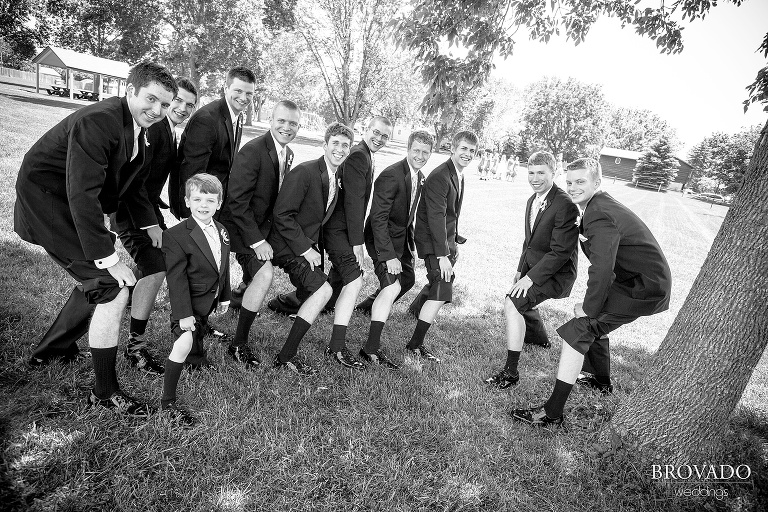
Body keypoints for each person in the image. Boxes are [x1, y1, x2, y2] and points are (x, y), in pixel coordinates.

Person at [16, 61, 177, 416]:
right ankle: (104, 393)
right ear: (130, 90)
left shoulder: (143, 129)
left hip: (72, 200)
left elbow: (132, 188)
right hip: (48, 200)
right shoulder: (100, 120)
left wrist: (150, 224)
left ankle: (52, 350)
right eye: (151, 99)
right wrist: (107, 255)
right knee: (112, 285)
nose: (158, 110)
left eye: (166, 104)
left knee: (100, 281)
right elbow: (81, 194)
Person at [511, 157, 672, 427]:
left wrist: (587, 307)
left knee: (581, 327)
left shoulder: (598, 212)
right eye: (570, 181)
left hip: (643, 287)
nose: (573, 187)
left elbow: (602, 269)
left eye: (581, 181)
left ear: (597, 182)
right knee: (596, 324)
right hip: (633, 280)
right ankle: (600, 380)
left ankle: (552, 413)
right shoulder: (595, 205)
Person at [110, 77, 198, 376]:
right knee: (157, 266)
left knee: (150, 265)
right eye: (178, 102)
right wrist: (151, 226)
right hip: (131, 213)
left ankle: (126, 309)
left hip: (147, 208)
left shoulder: (169, 130)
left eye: (190, 105)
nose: (182, 108)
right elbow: (134, 185)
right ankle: (135, 346)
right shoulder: (155, 128)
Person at [485, 151, 579, 389]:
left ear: (553, 173)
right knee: (519, 299)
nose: (535, 178)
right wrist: (520, 270)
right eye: (531, 173)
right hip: (535, 266)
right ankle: (539, 340)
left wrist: (530, 278)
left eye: (541, 173)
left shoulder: (565, 204)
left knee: (513, 302)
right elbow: (529, 242)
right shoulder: (532, 199)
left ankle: (511, 372)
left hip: (557, 272)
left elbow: (560, 252)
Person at [218, 100, 301, 369]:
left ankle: (242, 292)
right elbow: (236, 202)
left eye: (292, 123)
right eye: (282, 121)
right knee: (265, 274)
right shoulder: (253, 151)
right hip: (242, 231)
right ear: (271, 120)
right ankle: (238, 344)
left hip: (266, 229)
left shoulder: (288, 154)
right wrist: (258, 241)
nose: (286, 127)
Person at [267, 122, 354, 376]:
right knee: (323, 290)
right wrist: (306, 249)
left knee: (319, 291)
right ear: (324, 145)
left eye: (345, 145)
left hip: (304, 245)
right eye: (335, 143)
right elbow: (282, 215)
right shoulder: (305, 172)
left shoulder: (335, 176)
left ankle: (285, 333)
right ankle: (285, 356)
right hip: (285, 245)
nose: (339, 149)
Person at [357, 130, 434, 370]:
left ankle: (368, 306)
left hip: (400, 239)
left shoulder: (420, 177)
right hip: (380, 239)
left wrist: (410, 248)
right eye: (416, 150)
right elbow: (378, 218)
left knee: (408, 279)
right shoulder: (391, 175)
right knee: (392, 286)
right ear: (408, 149)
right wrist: (388, 256)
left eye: (425, 152)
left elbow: (408, 216)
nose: (420, 155)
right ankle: (370, 349)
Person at [161, 174, 231, 426]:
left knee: (199, 333)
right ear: (187, 202)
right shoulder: (176, 235)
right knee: (184, 340)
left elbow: (222, 267)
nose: (204, 205)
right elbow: (176, 279)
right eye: (198, 199)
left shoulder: (222, 230)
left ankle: (196, 360)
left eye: (210, 200)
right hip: (187, 304)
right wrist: (182, 313)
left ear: (219, 203)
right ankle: (167, 402)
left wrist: (225, 296)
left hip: (207, 300)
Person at [406, 130, 478, 362]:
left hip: (445, 241)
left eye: (472, 150)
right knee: (442, 285)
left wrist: (454, 239)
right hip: (433, 242)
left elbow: (450, 213)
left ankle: (415, 312)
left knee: (440, 284)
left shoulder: (457, 174)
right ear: (453, 149)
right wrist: (442, 255)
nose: (467, 153)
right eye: (463, 148)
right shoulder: (440, 176)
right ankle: (415, 345)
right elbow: (436, 217)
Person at [176, 66, 256, 220]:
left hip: (218, 204)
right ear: (226, 88)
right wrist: (191, 217)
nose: (244, 97)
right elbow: (192, 171)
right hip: (199, 208)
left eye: (249, 93)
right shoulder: (207, 119)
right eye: (238, 91)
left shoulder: (237, 117)